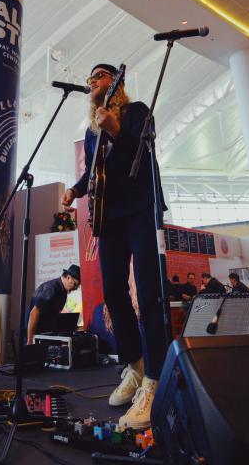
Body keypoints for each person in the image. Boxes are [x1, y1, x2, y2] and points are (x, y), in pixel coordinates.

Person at [61, 63, 168, 430]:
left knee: (150, 294)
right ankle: (135, 365)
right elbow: (92, 171)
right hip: (108, 216)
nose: (92, 81)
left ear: (115, 82)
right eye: (89, 78)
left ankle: (155, 378)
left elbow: (144, 145)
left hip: (140, 208)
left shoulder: (136, 111)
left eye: (100, 76)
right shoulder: (93, 131)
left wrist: (117, 128)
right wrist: (75, 190)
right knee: (114, 294)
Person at [27, 265, 82, 344]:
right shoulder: (51, 289)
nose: (76, 288)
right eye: (75, 284)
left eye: (78, 286)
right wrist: (30, 341)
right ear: (68, 278)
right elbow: (33, 314)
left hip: (44, 334)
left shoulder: (63, 292)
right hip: (33, 335)